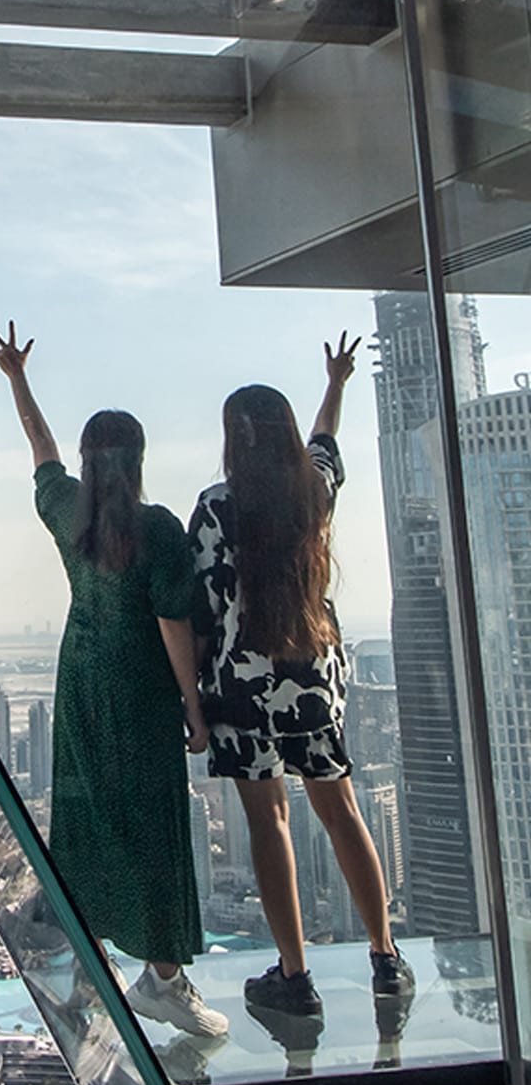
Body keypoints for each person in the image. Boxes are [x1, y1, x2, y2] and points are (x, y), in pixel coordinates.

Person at [0, 320, 227, 1038]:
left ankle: (87, 969)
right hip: (141, 688)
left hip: (81, 681)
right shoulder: (156, 530)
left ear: (94, 463)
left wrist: (16, 379)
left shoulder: (70, 513)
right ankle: (163, 979)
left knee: (87, 817)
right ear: (140, 460)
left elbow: (41, 453)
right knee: (153, 828)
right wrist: (195, 710)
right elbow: (173, 622)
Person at [189, 332, 415, 1018]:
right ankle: (385, 957)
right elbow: (325, 440)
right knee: (341, 809)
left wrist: (194, 700)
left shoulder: (216, 506)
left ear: (236, 437)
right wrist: (337, 381)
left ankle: (295, 975)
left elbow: (203, 611)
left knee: (269, 823)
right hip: (313, 675)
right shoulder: (313, 490)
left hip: (244, 681)